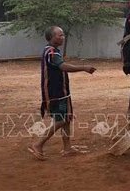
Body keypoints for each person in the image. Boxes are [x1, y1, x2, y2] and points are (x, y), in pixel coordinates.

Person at [28, 26, 96, 160]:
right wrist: (83, 68)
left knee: (66, 119)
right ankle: (38, 144)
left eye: (63, 35)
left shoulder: (52, 51)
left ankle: (67, 148)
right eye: (60, 35)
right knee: (62, 119)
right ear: (51, 38)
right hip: (55, 93)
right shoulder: (52, 52)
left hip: (61, 92)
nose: (63, 37)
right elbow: (63, 67)